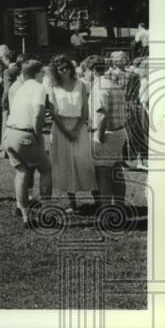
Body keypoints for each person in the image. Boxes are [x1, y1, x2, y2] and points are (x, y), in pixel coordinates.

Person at [3, 59, 53, 225]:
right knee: (46, 169)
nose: (45, 75)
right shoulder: (38, 88)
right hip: (25, 135)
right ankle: (46, 212)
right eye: (43, 72)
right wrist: (38, 137)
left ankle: (25, 215)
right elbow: (38, 113)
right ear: (38, 73)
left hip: (9, 134)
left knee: (22, 172)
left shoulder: (20, 88)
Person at [46, 54, 96, 212]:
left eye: (66, 67)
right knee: (65, 164)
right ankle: (72, 202)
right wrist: (66, 132)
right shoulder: (53, 87)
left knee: (85, 162)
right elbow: (53, 113)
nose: (64, 71)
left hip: (79, 127)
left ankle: (99, 200)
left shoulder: (80, 84)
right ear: (55, 71)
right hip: (60, 128)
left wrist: (76, 129)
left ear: (71, 68)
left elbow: (85, 110)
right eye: (60, 69)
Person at [90, 55, 131, 209]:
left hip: (107, 133)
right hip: (119, 132)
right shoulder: (114, 85)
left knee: (102, 173)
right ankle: (120, 205)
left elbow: (101, 113)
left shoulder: (99, 87)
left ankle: (106, 209)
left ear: (93, 70)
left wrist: (99, 136)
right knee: (116, 169)